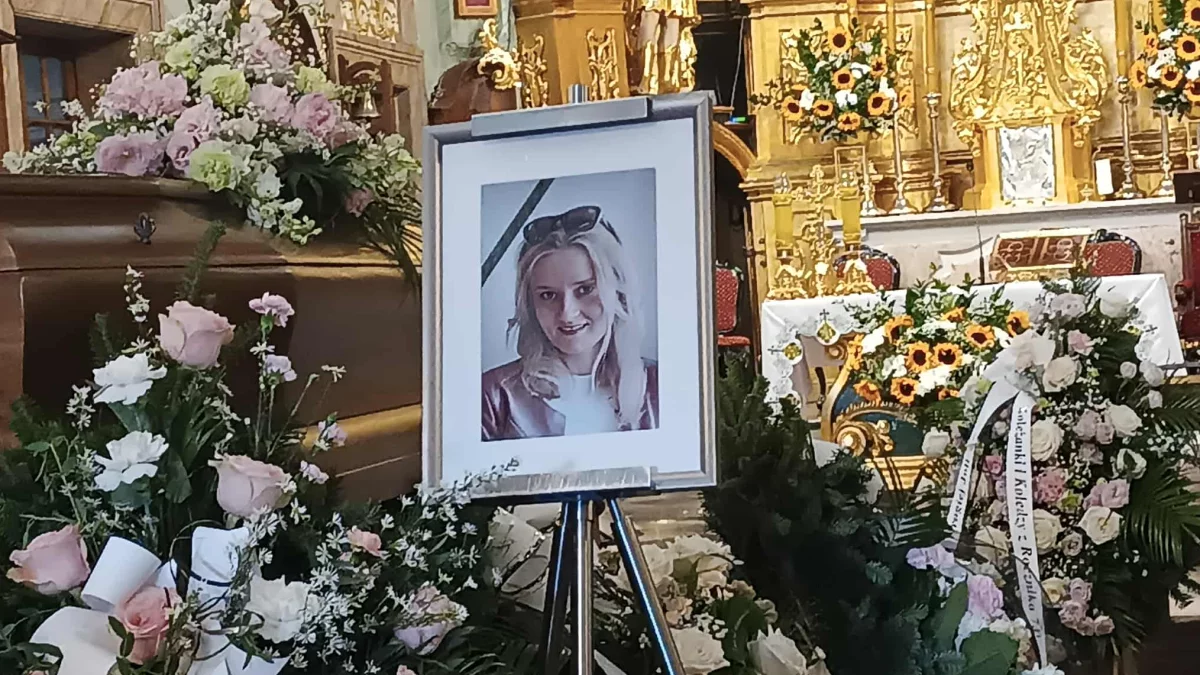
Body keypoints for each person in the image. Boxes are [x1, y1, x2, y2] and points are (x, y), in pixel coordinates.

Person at [482, 205, 658, 441]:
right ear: (530, 304)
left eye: (585, 289)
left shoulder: (661, 385)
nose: (567, 313)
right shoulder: (494, 395)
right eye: (548, 295)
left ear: (617, 291)